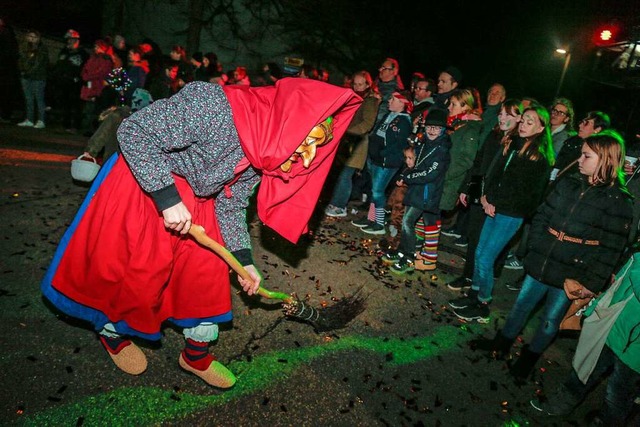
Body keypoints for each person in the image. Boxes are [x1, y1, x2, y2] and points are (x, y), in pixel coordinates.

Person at [41, 79, 360, 389]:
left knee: (204, 278)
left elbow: (231, 206)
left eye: (314, 149)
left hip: (197, 199)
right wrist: (167, 198)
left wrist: (244, 261)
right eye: (305, 144)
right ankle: (113, 335)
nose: (302, 159)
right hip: (147, 182)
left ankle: (195, 357)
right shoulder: (212, 105)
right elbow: (133, 132)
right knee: (137, 274)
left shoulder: (264, 149)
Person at [476, 130, 633, 380]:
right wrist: (536, 246)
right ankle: (501, 344)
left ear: (605, 159)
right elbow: (542, 215)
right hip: (543, 260)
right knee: (520, 307)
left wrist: (591, 283)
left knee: (550, 320)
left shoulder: (618, 201)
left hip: (572, 272)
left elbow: (611, 249)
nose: (579, 160)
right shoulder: (569, 182)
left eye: (586, 156)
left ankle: (527, 361)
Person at [450, 105, 554, 322]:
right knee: (479, 252)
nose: (524, 125)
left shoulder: (538, 157)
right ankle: (474, 294)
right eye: (523, 120)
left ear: (542, 127)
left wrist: (495, 202)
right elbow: (494, 173)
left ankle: (483, 303)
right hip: (494, 206)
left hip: (510, 214)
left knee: (487, 257)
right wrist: (485, 196)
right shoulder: (513, 143)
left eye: (530, 122)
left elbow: (525, 193)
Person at [530, 250, 640, 426]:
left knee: (618, 394)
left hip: (635, 348)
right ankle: (559, 405)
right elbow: (616, 286)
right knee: (583, 370)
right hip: (609, 326)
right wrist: (593, 309)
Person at [446, 99, 522, 292]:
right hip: (479, 192)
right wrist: (465, 188)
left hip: (493, 199)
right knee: (474, 237)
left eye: (508, 115)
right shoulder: (494, 134)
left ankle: (476, 282)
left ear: (519, 119)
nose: (502, 118)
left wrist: (491, 198)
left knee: (484, 244)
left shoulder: (518, 143)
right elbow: (478, 162)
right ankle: (468, 276)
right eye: (501, 114)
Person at [381, 108, 451, 274]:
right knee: (407, 221)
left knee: (407, 222)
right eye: (429, 127)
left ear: (442, 130)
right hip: (416, 190)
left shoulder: (441, 150)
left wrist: (407, 178)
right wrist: (404, 176)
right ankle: (403, 251)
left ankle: (409, 255)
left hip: (427, 193)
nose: (432, 130)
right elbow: (414, 163)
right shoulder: (424, 144)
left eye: (436, 128)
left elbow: (429, 173)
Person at [351, 91, 412, 235]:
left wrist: (382, 153)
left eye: (393, 99)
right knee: (374, 190)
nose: (389, 101)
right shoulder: (388, 116)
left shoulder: (404, 121)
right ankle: (371, 219)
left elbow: (399, 144)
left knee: (378, 191)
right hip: (376, 159)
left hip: (386, 162)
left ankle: (378, 224)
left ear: (402, 103)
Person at [324, 70, 380, 217]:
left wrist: (346, 131)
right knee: (341, 174)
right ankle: (336, 202)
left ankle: (339, 206)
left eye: (361, 84)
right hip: (347, 142)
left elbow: (367, 124)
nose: (357, 87)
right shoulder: (353, 97)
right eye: (355, 84)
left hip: (358, 144)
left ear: (368, 84)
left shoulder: (370, 101)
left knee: (345, 175)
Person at [52, 29, 88, 133]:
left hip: (75, 83)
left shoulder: (82, 54)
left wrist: (80, 79)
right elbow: (59, 65)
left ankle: (76, 126)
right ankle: (65, 125)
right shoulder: (64, 52)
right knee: (65, 104)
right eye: (68, 40)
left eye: (72, 40)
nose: (69, 42)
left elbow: (85, 69)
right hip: (63, 82)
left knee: (76, 105)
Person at [17, 29, 49, 129]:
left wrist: (28, 71)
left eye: (34, 37)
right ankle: (29, 119)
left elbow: (38, 64)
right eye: (30, 36)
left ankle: (41, 120)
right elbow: (20, 60)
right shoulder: (23, 47)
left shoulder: (42, 49)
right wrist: (22, 71)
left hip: (38, 77)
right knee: (28, 99)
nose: (31, 39)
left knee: (39, 99)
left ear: (38, 38)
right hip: (25, 77)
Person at [0, 16, 20, 123]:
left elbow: (8, 53)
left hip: (6, 70)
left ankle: (5, 114)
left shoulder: (6, 33)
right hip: (6, 69)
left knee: (5, 92)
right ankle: (5, 114)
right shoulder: (7, 33)